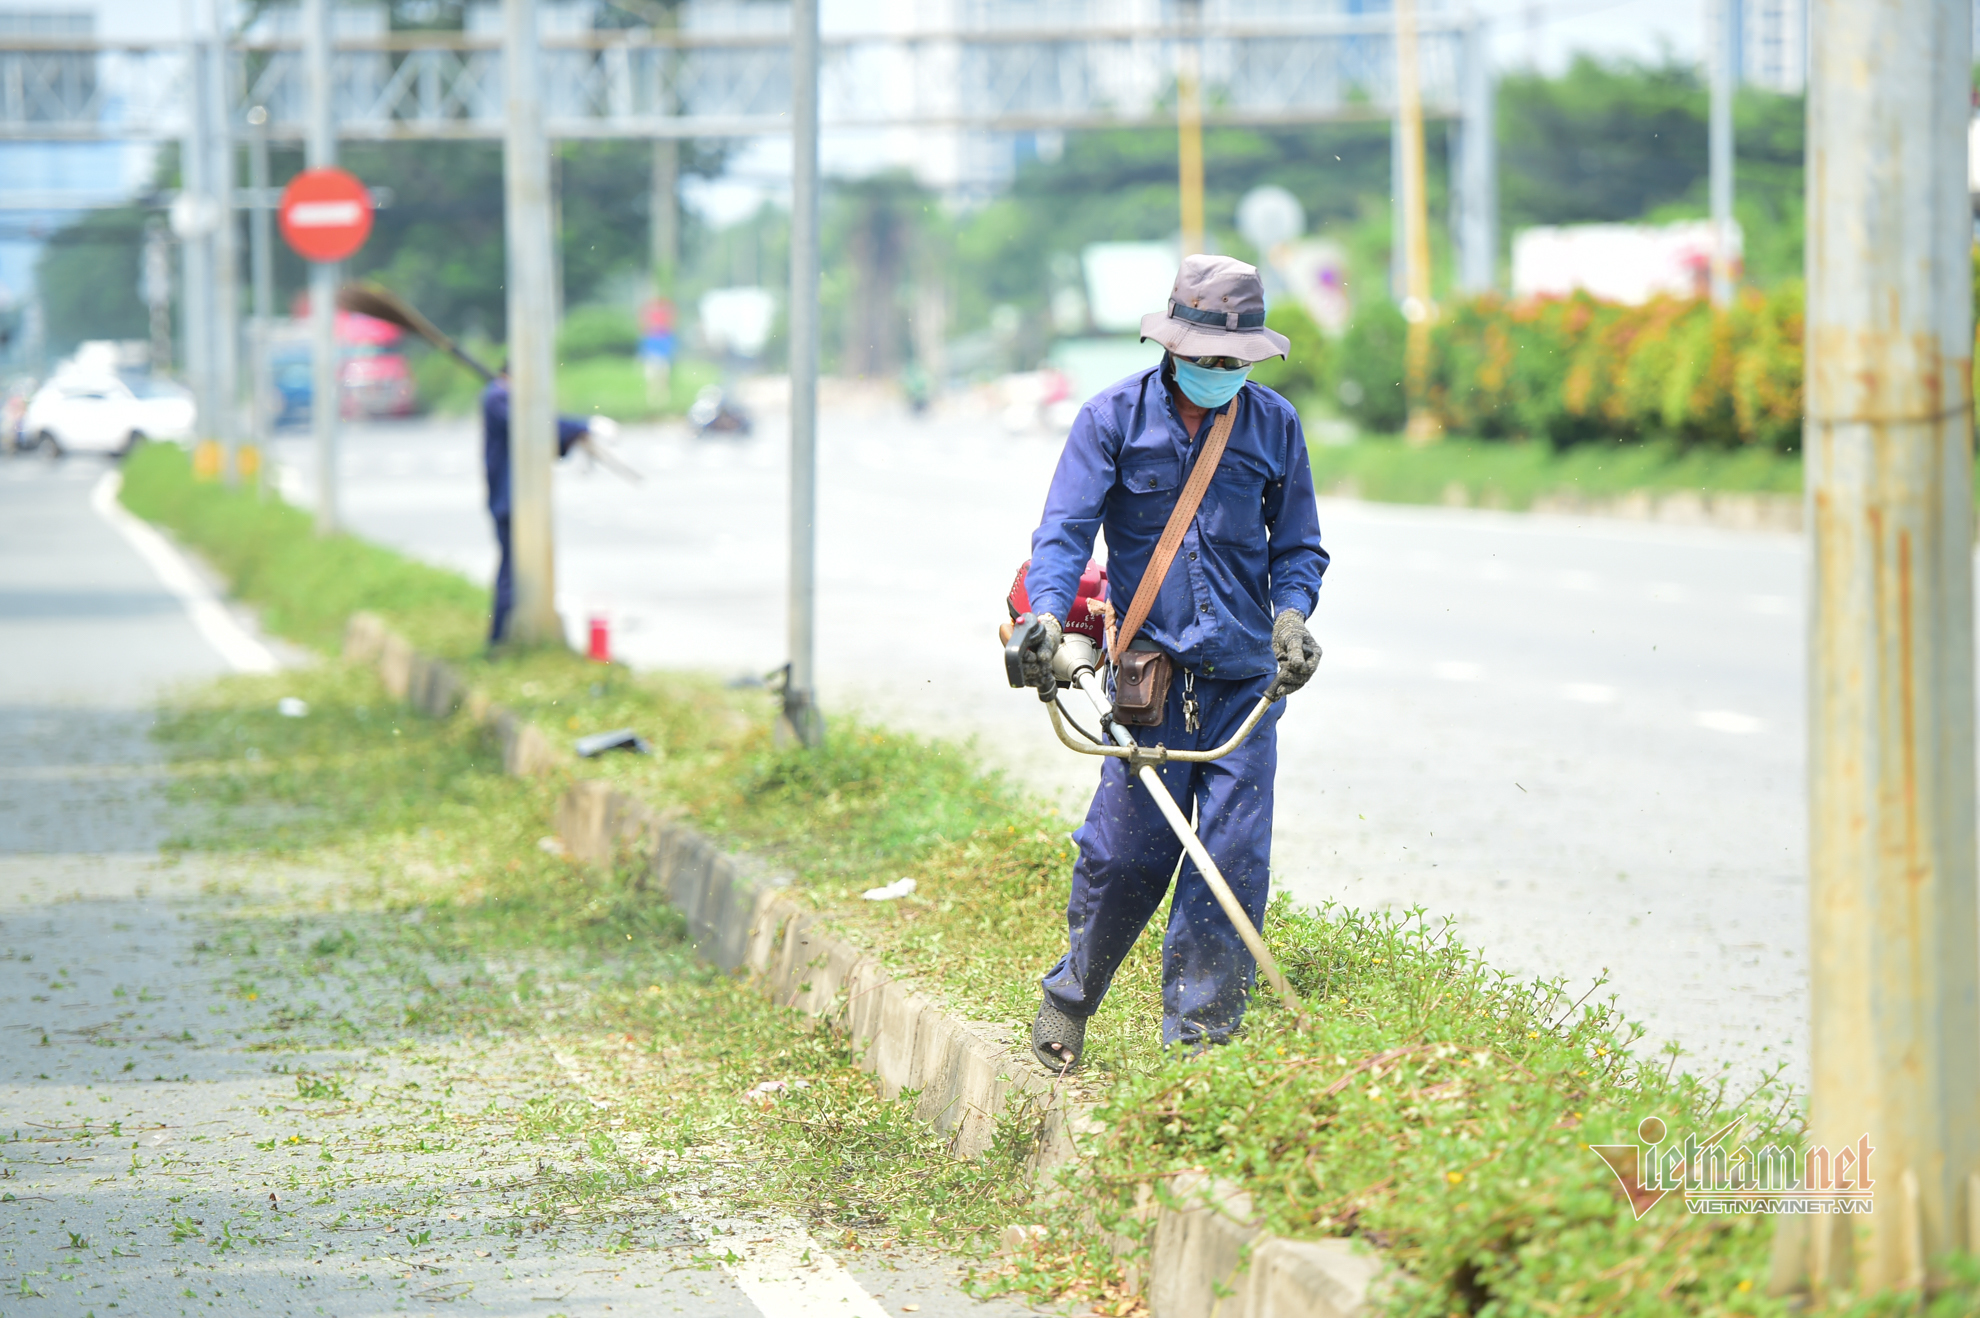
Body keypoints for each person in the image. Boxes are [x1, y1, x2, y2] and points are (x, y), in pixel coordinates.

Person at [1014, 254, 1328, 1069]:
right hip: (1150, 678)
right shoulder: (1111, 418)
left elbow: (1299, 546)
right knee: (1125, 855)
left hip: (1242, 684)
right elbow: (1063, 533)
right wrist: (1048, 617)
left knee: (1230, 865)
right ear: (1173, 345)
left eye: (1236, 362)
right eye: (1208, 359)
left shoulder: (1274, 426)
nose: (1221, 374)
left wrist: (1292, 615)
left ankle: (1199, 1051)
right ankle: (1071, 995)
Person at [481, 372, 610, 646]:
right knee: (513, 572)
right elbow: (532, 423)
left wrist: (574, 434)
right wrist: (581, 426)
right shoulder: (497, 397)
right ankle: (500, 640)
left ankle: (506, 639)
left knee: (518, 570)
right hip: (511, 500)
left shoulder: (504, 396)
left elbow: (540, 428)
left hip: (520, 499)